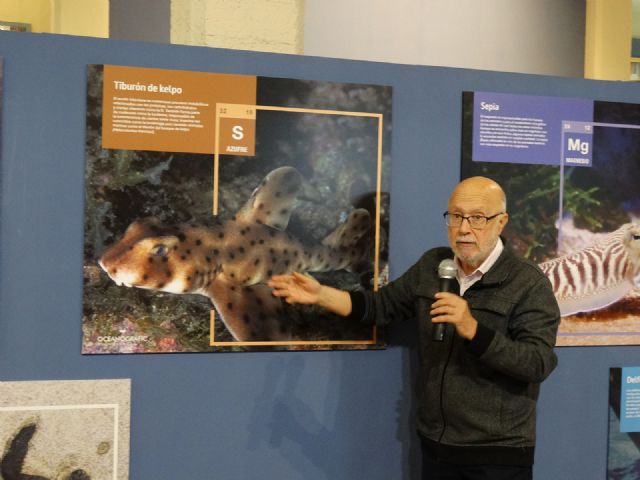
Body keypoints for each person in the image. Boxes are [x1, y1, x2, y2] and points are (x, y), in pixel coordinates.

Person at [269, 176, 560, 480]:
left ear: (501, 222)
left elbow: (537, 363)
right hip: (436, 447)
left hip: (497, 456)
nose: (463, 229)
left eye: (477, 218)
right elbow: (383, 306)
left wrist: (473, 328)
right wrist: (320, 295)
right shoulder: (434, 265)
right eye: (455, 216)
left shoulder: (528, 283)